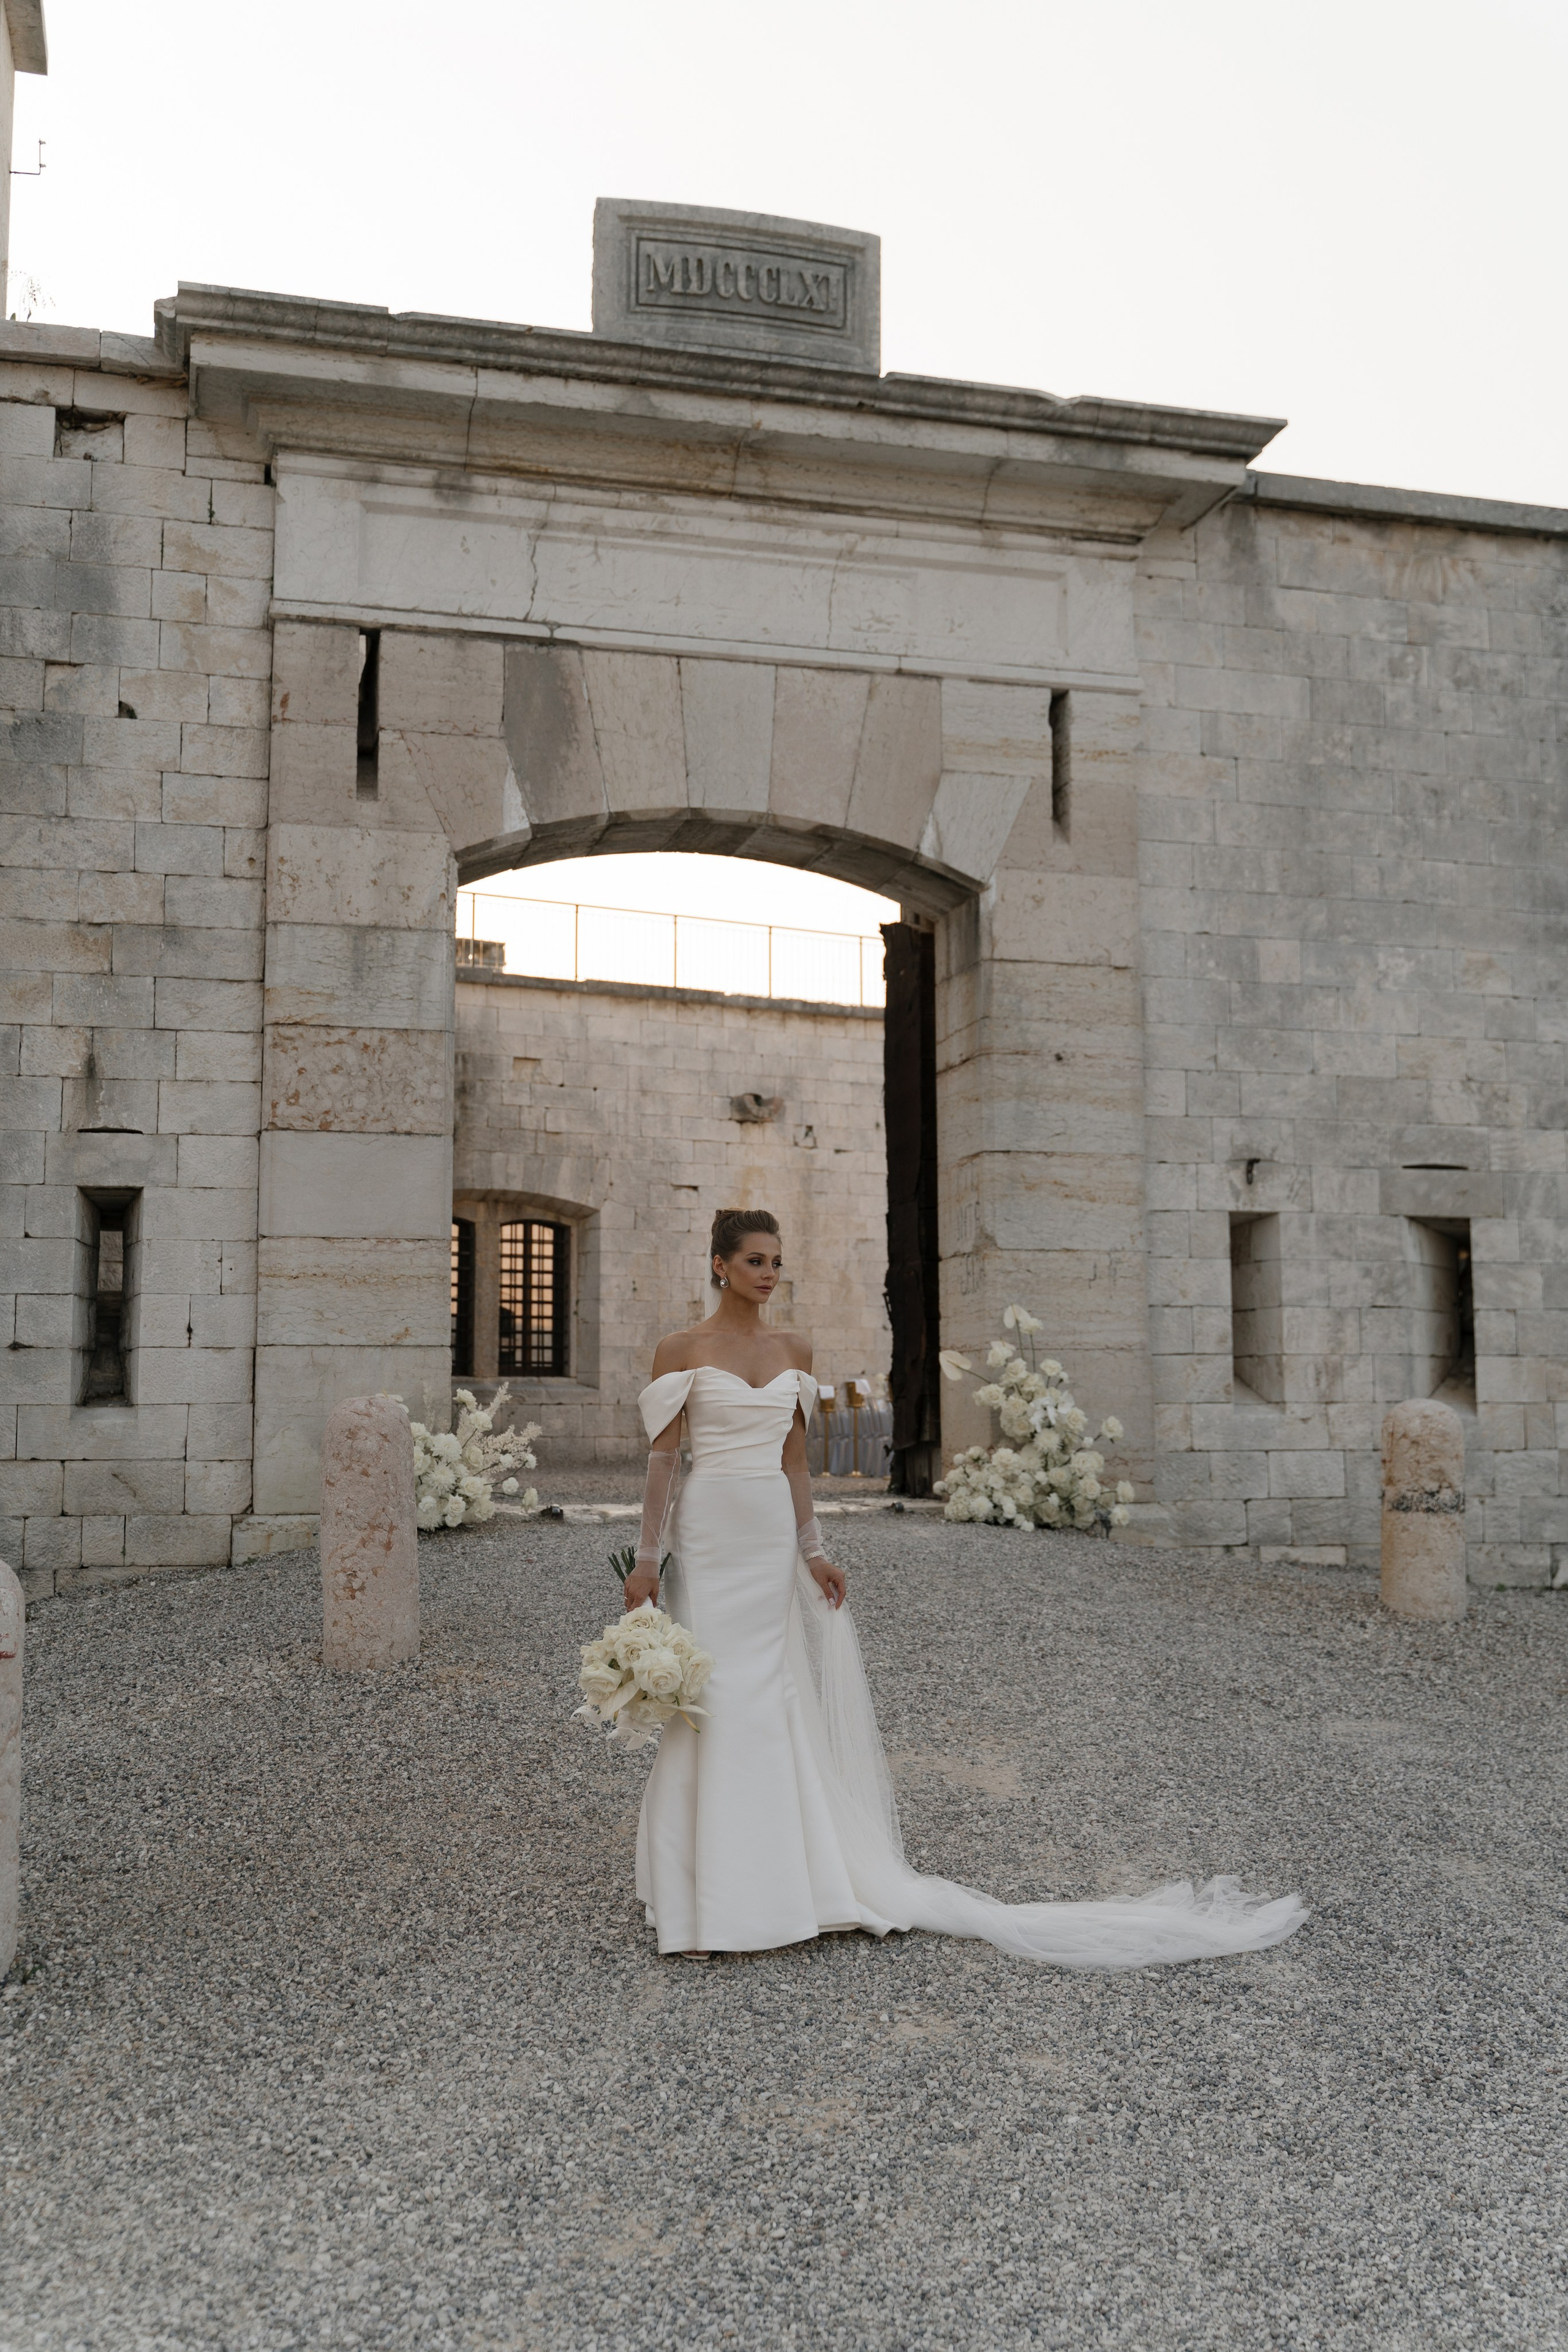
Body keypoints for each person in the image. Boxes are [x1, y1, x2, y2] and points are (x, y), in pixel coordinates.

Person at [624, 1207, 1305, 1969]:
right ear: (720, 1265)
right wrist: (648, 1559)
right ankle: (704, 1895)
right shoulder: (680, 1349)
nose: (769, 1274)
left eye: (777, 1261)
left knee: (767, 1692)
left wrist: (813, 1552)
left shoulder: (795, 1349)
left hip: (767, 1539)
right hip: (709, 1533)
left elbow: (794, 1463)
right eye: (755, 1261)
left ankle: (774, 1888)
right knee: (712, 1693)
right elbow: (664, 1462)